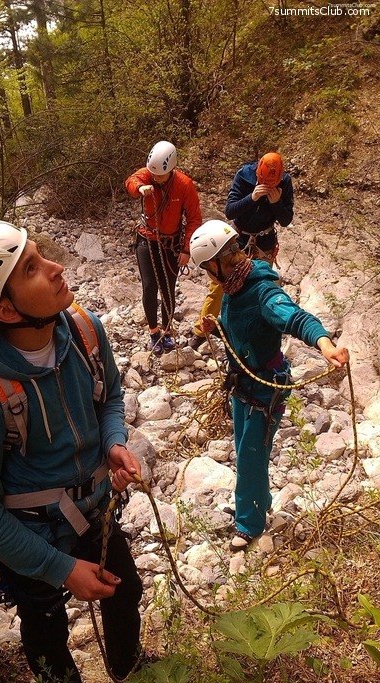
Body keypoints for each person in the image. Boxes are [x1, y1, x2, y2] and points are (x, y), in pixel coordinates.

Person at [0, 220, 143, 683]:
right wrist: (60, 569)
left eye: (40, 255)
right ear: (5, 309)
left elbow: (110, 396)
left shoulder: (84, 331)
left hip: (94, 509)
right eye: (32, 268)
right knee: (44, 623)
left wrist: (113, 442)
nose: (56, 267)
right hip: (29, 534)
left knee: (125, 590)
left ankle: (130, 673)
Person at [189, 219, 349, 551]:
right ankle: (256, 504)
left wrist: (325, 344)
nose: (207, 275)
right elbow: (245, 330)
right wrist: (218, 328)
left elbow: (295, 317)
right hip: (243, 384)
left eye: (206, 268)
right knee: (245, 449)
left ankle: (249, 524)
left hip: (265, 387)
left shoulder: (262, 291)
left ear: (217, 263)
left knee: (251, 454)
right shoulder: (233, 287)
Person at [189, 152, 294, 350]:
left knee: (258, 286)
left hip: (264, 242)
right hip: (238, 240)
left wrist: (277, 203)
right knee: (219, 286)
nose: (268, 185)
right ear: (258, 173)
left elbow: (286, 220)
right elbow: (230, 211)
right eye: (264, 181)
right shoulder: (244, 175)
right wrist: (252, 197)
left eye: (273, 183)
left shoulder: (285, 182)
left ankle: (251, 332)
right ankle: (201, 330)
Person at [126, 140, 202, 356]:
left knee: (168, 287)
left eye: (160, 175)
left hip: (171, 243)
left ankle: (167, 331)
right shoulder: (147, 175)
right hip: (147, 239)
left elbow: (194, 219)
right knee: (149, 286)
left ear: (171, 169)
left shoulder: (184, 185)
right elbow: (131, 181)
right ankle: (153, 332)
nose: (156, 178)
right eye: (153, 174)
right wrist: (140, 188)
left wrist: (186, 250)